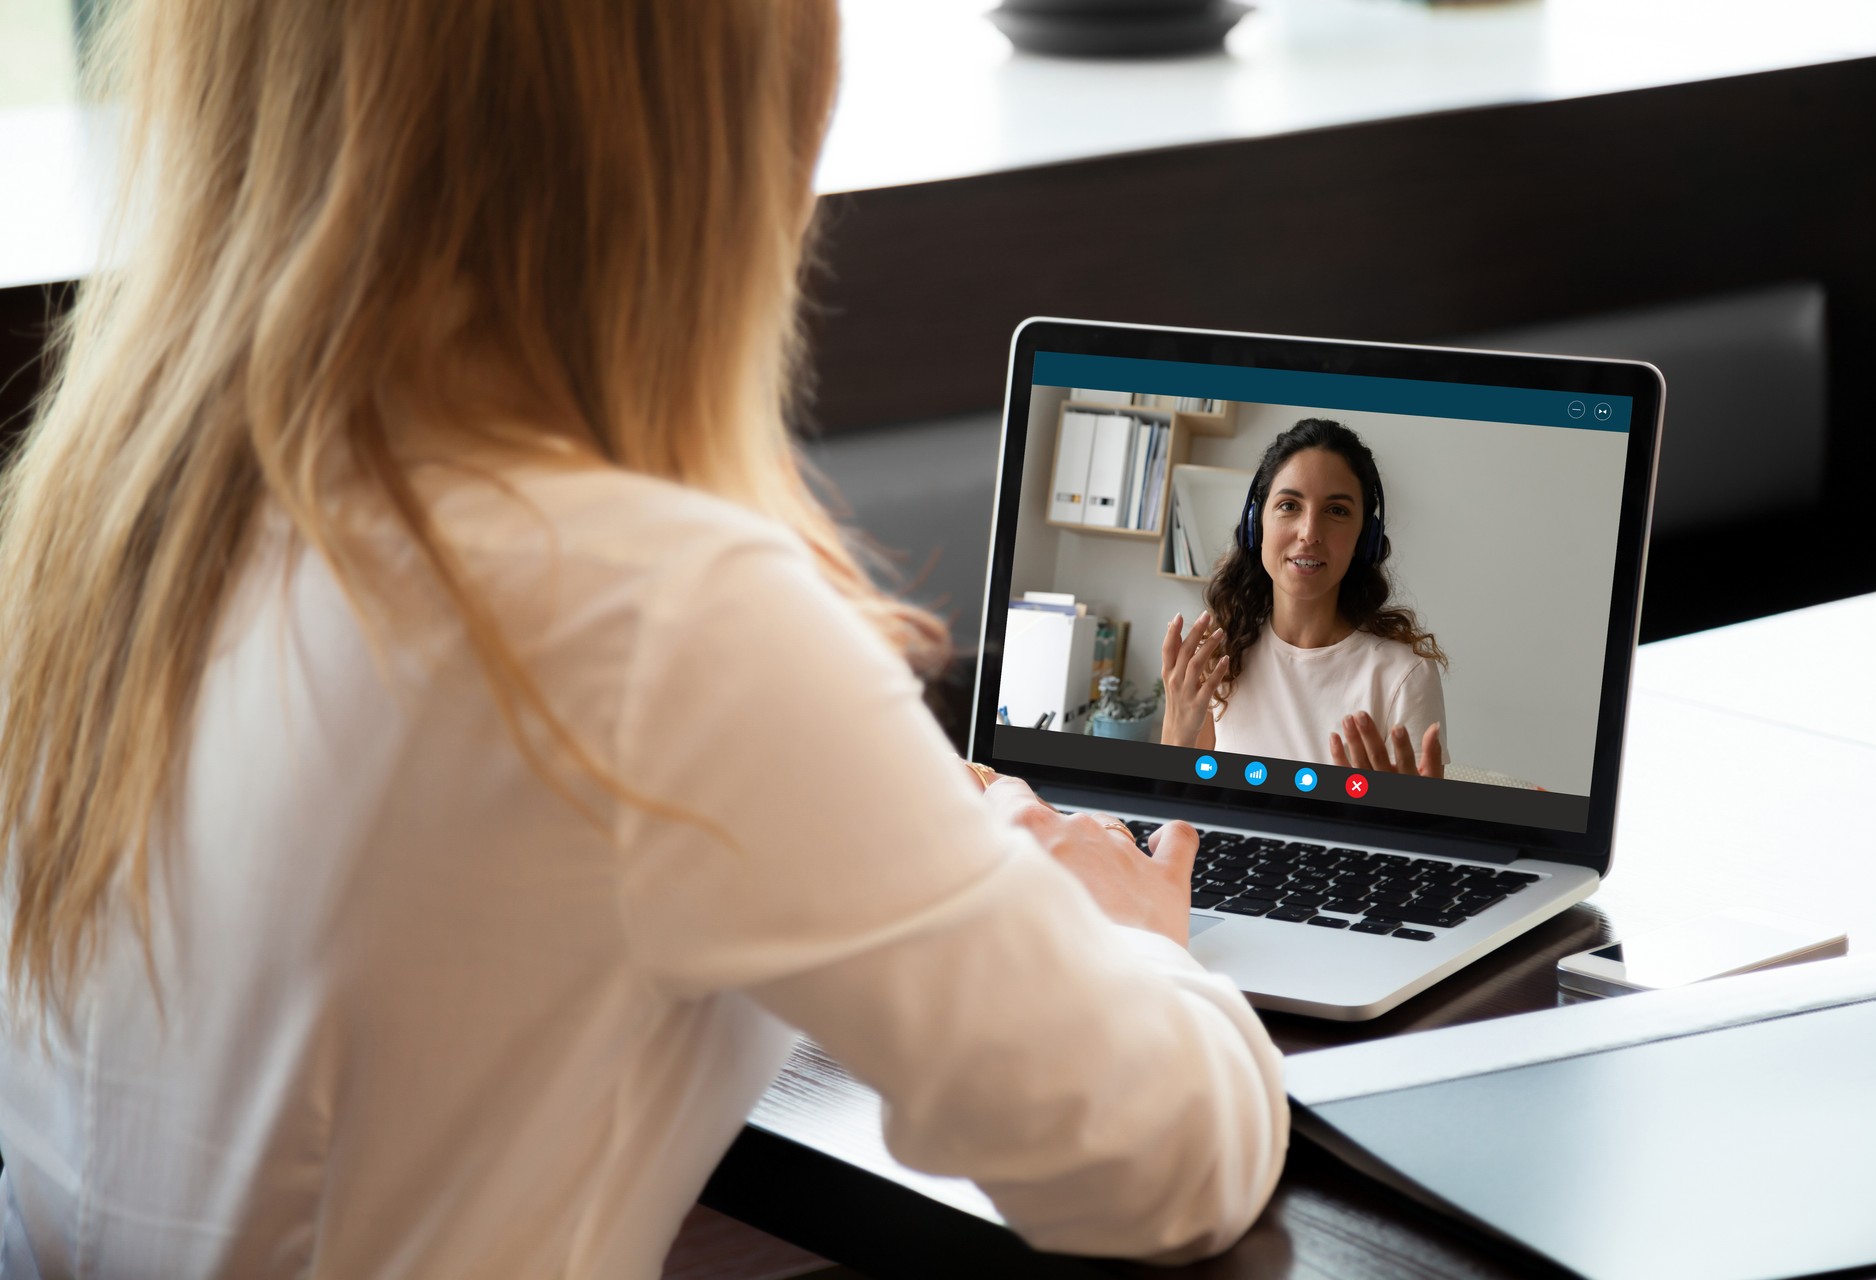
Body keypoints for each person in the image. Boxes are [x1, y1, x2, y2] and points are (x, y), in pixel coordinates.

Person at [0, 2, 1286, 1275]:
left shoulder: (103, 530)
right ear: (711, 132)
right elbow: (1156, 1161)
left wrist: (895, 855)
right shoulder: (655, 615)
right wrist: (1120, 943)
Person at [1159, 419, 1448, 775]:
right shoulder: (1216, 656)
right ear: (1256, 523)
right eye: (1289, 505)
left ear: (1364, 539)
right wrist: (1175, 736)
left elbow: (1417, 824)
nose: (1309, 532)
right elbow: (1177, 819)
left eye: (1337, 510)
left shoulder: (1404, 676)